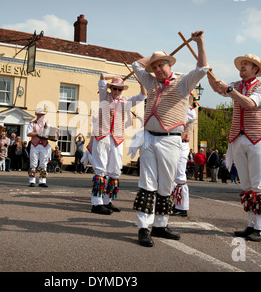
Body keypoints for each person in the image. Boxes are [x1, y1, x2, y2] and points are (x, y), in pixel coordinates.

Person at [131, 31, 209, 247]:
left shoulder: (184, 82)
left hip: (170, 139)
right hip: (148, 137)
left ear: (170, 65)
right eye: (154, 67)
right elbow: (136, 65)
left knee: (166, 184)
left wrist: (199, 42)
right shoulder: (151, 81)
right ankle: (143, 228)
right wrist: (155, 55)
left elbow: (202, 68)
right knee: (147, 183)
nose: (157, 70)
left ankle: (160, 225)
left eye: (161, 66)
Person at [209, 53, 261, 242]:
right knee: (246, 185)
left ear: (255, 69)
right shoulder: (235, 85)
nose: (242, 66)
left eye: (247, 64)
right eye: (242, 64)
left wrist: (229, 90)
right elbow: (217, 88)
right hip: (238, 137)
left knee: (258, 183)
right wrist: (208, 74)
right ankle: (252, 225)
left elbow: (250, 103)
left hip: (257, 138)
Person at [90, 73, 147, 215]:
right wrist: (116, 75)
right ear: (111, 88)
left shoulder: (125, 101)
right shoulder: (104, 96)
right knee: (100, 169)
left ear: (123, 91)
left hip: (117, 137)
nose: (116, 91)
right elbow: (102, 76)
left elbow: (142, 96)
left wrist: (142, 83)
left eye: (119, 89)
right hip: (103, 135)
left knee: (115, 170)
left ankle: (107, 201)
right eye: (114, 88)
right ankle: (96, 203)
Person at [172, 97, 197, 217]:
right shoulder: (178, 109)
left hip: (182, 143)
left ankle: (182, 207)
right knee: (172, 174)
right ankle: (174, 203)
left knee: (180, 174)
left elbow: (182, 120)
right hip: (173, 143)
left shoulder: (190, 110)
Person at [26, 108, 53, 187]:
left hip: (44, 145)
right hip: (35, 145)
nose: (42, 116)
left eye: (43, 115)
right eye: (40, 114)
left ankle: (42, 181)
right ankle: (32, 181)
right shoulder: (32, 123)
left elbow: (50, 134)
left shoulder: (46, 124)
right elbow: (28, 133)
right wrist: (37, 133)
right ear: (37, 115)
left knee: (43, 164)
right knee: (33, 163)